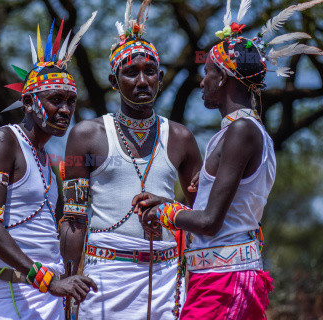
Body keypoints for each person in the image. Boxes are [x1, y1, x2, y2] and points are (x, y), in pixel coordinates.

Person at [134, 1, 323, 319]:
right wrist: (170, 205)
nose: (202, 82)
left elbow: (210, 222)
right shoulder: (235, 132)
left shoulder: (243, 131)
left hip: (228, 279)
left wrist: (166, 211)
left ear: (223, 78)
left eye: (207, 73)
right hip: (216, 277)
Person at [0, 14, 98, 320]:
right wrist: (48, 281)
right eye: (56, 99)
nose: (66, 110)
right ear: (28, 103)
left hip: (46, 295)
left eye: (71, 101)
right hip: (8, 294)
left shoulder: (47, 162)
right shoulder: (2, 142)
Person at [59, 1, 202, 319]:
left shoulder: (180, 138)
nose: (141, 81)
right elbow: (73, 218)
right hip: (104, 279)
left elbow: (201, 215)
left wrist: (197, 273)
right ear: (114, 82)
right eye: (130, 72)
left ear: (160, 77)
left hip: (164, 280)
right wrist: (68, 278)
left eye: (149, 71)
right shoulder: (87, 135)